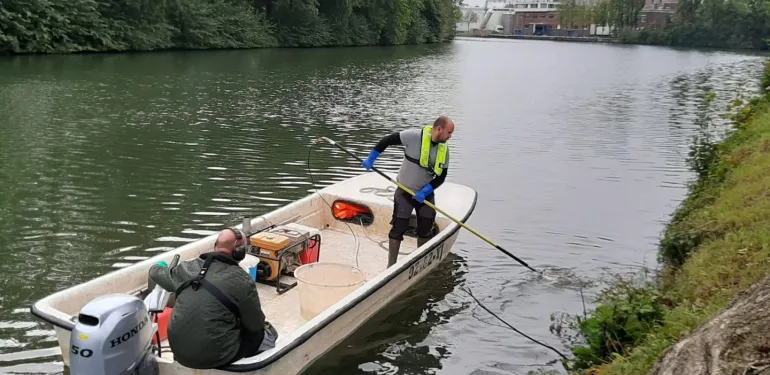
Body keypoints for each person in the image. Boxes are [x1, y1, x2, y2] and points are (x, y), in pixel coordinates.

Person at [148, 228, 277, 369]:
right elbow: (255, 325)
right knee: (266, 334)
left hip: (180, 353)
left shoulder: (186, 268)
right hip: (215, 356)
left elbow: (154, 272)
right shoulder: (242, 280)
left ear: (216, 245)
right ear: (239, 251)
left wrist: (158, 266)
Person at [361, 115, 454, 268]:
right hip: (404, 191)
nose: (450, 137)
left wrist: (425, 191)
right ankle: (391, 266)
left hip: (424, 195)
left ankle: (421, 262)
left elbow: (441, 177)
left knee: (426, 227)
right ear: (439, 129)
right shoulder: (413, 136)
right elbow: (387, 140)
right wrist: (371, 158)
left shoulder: (444, 150)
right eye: (449, 133)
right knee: (399, 227)